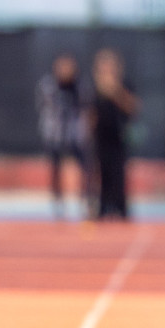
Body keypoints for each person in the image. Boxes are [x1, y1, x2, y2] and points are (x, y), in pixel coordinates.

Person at [89, 48, 137, 221]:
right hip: (100, 139)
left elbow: (133, 107)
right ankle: (101, 208)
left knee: (119, 174)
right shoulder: (93, 87)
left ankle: (121, 209)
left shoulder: (124, 84)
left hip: (119, 136)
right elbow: (89, 113)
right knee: (100, 174)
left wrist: (115, 91)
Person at [36, 53, 86, 218]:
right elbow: (46, 107)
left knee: (84, 168)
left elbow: (85, 107)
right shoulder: (48, 85)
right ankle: (58, 203)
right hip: (55, 134)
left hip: (74, 134)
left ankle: (84, 201)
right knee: (56, 170)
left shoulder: (80, 87)